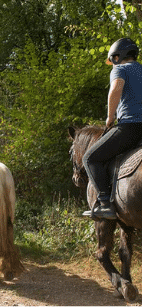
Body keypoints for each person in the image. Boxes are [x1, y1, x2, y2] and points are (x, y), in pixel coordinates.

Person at [84, 38, 142, 220]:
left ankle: (105, 204)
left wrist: (110, 117)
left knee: (90, 158)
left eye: (114, 59)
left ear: (117, 57)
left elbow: (116, 89)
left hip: (130, 127)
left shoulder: (120, 69)